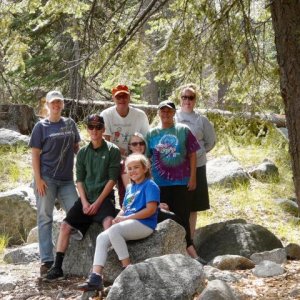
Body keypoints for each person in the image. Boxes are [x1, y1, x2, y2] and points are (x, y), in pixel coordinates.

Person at [44, 114, 121, 281]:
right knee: (65, 226)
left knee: (109, 224)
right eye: (91, 127)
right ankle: (57, 267)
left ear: (103, 129)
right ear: (87, 129)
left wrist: (98, 202)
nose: (94, 130)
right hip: (86, 198)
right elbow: (79, 179)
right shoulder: (83, 152)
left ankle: (113, 267)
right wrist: (85, 202)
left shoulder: (112, 150)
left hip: (104, 198)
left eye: (98, 127)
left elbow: (112, 180)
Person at [77, 153, 160, 291]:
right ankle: (96, 277)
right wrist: (118, 218)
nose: (132, 171)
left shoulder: (150, 185)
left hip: (145, 224)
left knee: (115, 230)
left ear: (145, 168)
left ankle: (128, 270)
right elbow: (124, 208)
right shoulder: (130, 188)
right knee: (102, 236)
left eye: (136, 167)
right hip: (129, 223)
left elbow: (150, 210)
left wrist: (126, 219)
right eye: (129, 168)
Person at [146, 100, 206, 264]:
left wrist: (193, 177)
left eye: (169, 111)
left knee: (182, 218)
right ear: (158, 113)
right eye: (163, 111)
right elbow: (146, 158)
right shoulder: (151, 134)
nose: (166, 114)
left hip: (181, 182)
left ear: (174, 113)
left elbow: (193, 154)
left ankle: (190, 252)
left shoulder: (183, 130)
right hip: (159, 184)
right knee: (162, 218)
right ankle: (167, 254)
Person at [29, 90, 81, 277]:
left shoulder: (70, 123)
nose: (56, 106)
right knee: (45, 217)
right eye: (53, 103)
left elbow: (77, 148)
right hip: (47, 179)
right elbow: (35, 154)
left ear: (62, 104)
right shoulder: (41, 127)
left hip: (67, 179)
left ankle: (75, 251)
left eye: (59, 102)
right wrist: (38, 179)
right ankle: (47, 260)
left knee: (77, 211)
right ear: (48, 105)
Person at [175, 84, 216, 238]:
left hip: (197, 166)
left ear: (195, 100)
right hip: (176, 167)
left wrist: (198, 153)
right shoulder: (173, 116)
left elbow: (211, 141)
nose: (187, 100)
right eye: (184, 97)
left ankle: (190, 238)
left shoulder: (201, 120)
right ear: (180, 99)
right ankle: (177, 237)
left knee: (193, 204)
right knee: (178, 202)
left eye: (190, 97)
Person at [100, 84, 149, 157]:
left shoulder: (140, 115)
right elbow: (106, 142)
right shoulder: (106, 115)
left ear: (129, 98)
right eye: (118, 97)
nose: (122, 99)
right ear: (113, 98)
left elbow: (146, 140)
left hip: (136, 157)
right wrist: (125, 153)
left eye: (125, 96)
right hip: (113, 156)